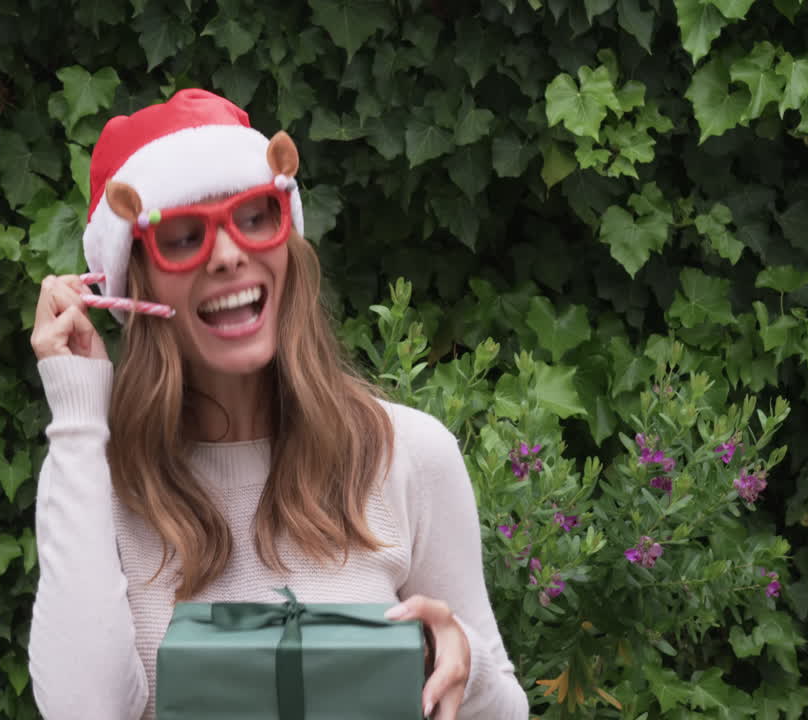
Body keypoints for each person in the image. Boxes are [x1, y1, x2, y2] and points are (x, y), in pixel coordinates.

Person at [26, 89, 529, 720]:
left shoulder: (408, 455)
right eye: (182, 237)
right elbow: (84, 711)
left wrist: (462, 660)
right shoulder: (94, 477)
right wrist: (78, 418)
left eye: (254, 217)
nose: (230, 254)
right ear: (132, 286)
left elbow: (503, 711)